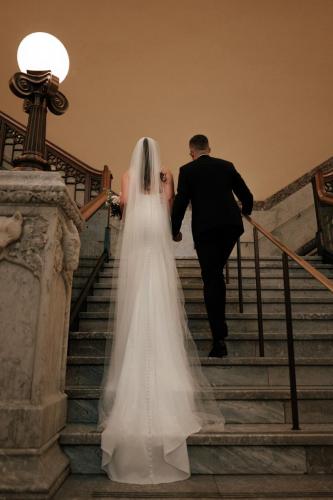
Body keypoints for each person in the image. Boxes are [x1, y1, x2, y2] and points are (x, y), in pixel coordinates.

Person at [99, 137, 223, 485]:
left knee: (139, 288)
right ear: (157, 156)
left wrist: (120, 206)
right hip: (156, 232)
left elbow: (124, 203)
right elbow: (169, 206)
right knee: (159, 287)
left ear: (137, 155)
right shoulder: (167, 173)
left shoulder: (126, 175)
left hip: (139, 233)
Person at [172, 135, 253, 358]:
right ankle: (219, 335)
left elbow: (181, 200)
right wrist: (246, 210)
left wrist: (173, 230)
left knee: (212, 277)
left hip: (206, 230)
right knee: (215, 273)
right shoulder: (226, 166)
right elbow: (246, 194)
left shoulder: (187, 170)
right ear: (209, 148)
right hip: (230, 227)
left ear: (191, 152)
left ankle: (219, 340)